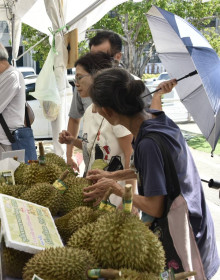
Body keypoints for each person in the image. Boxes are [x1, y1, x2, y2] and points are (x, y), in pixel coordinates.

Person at [84, 67, 219, 279]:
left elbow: (155, 207)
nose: (95, 111)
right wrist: (113, 176)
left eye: (97, 107)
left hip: (183, 233)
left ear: (109, 111)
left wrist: (116, 189)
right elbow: (153, 169)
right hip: (197, 217)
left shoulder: (148, 143)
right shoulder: (156, 118)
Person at [65, 31, 161, 171]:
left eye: (102, 57)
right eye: (92, 57)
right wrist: (70, 152)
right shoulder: (82, 89)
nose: (95, 63)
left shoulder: (129, 87)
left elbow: (131, 150)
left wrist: (124, 188)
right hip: (98, 174)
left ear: (117, 57)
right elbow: (77, 123)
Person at [59, 52, 133, 189]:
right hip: (97, 191)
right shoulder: (88, 112)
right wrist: (72, 141)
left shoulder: (115, 112)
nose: (76, 84)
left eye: (79, 77)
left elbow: (131, 156)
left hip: (117, 194)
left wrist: (130, 198)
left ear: (98, 76)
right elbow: (95, 146)